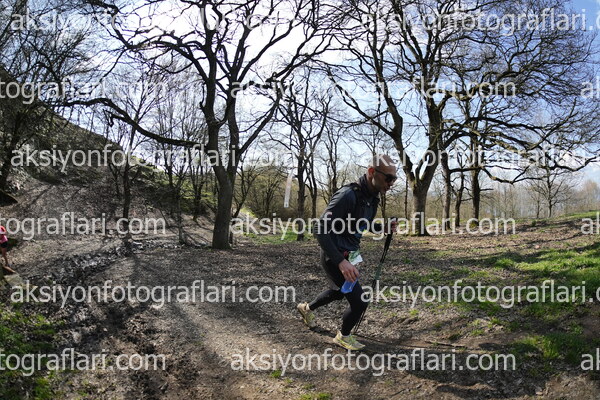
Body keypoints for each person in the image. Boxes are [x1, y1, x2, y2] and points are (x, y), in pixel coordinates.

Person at [297, 154, 397, 350]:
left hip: (349, 255)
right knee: (360, 301)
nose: (391, 183)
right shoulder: (347, 195)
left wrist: (382, 228)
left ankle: (306, 308)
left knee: (338, 292)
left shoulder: (372, 198)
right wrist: (341, 262)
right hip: (334, 256)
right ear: (371, 172)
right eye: (388, 178)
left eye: (394, 178)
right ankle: (343, 336)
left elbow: (363, 223)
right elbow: (320, 228)